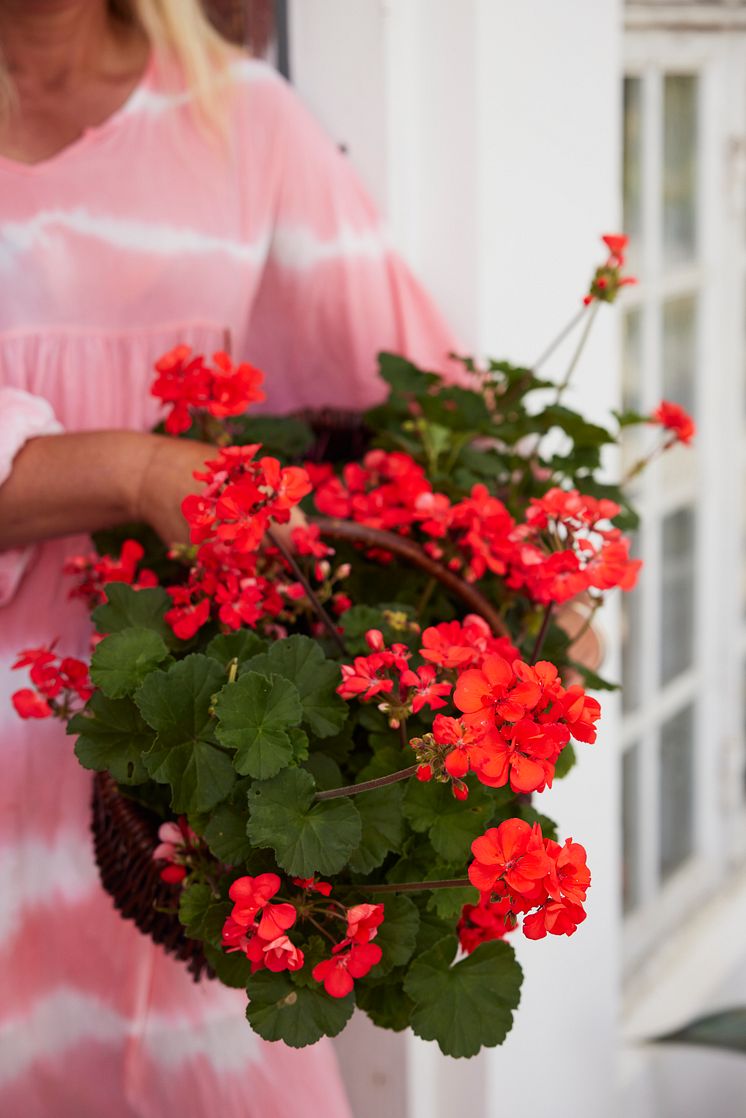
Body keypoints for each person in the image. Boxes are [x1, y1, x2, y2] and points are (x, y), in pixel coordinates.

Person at [0, 1, 458, 1114]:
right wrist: (134, 470)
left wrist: (517, 580)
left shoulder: (239, 118)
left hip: (181, 754)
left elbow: (408, 393)